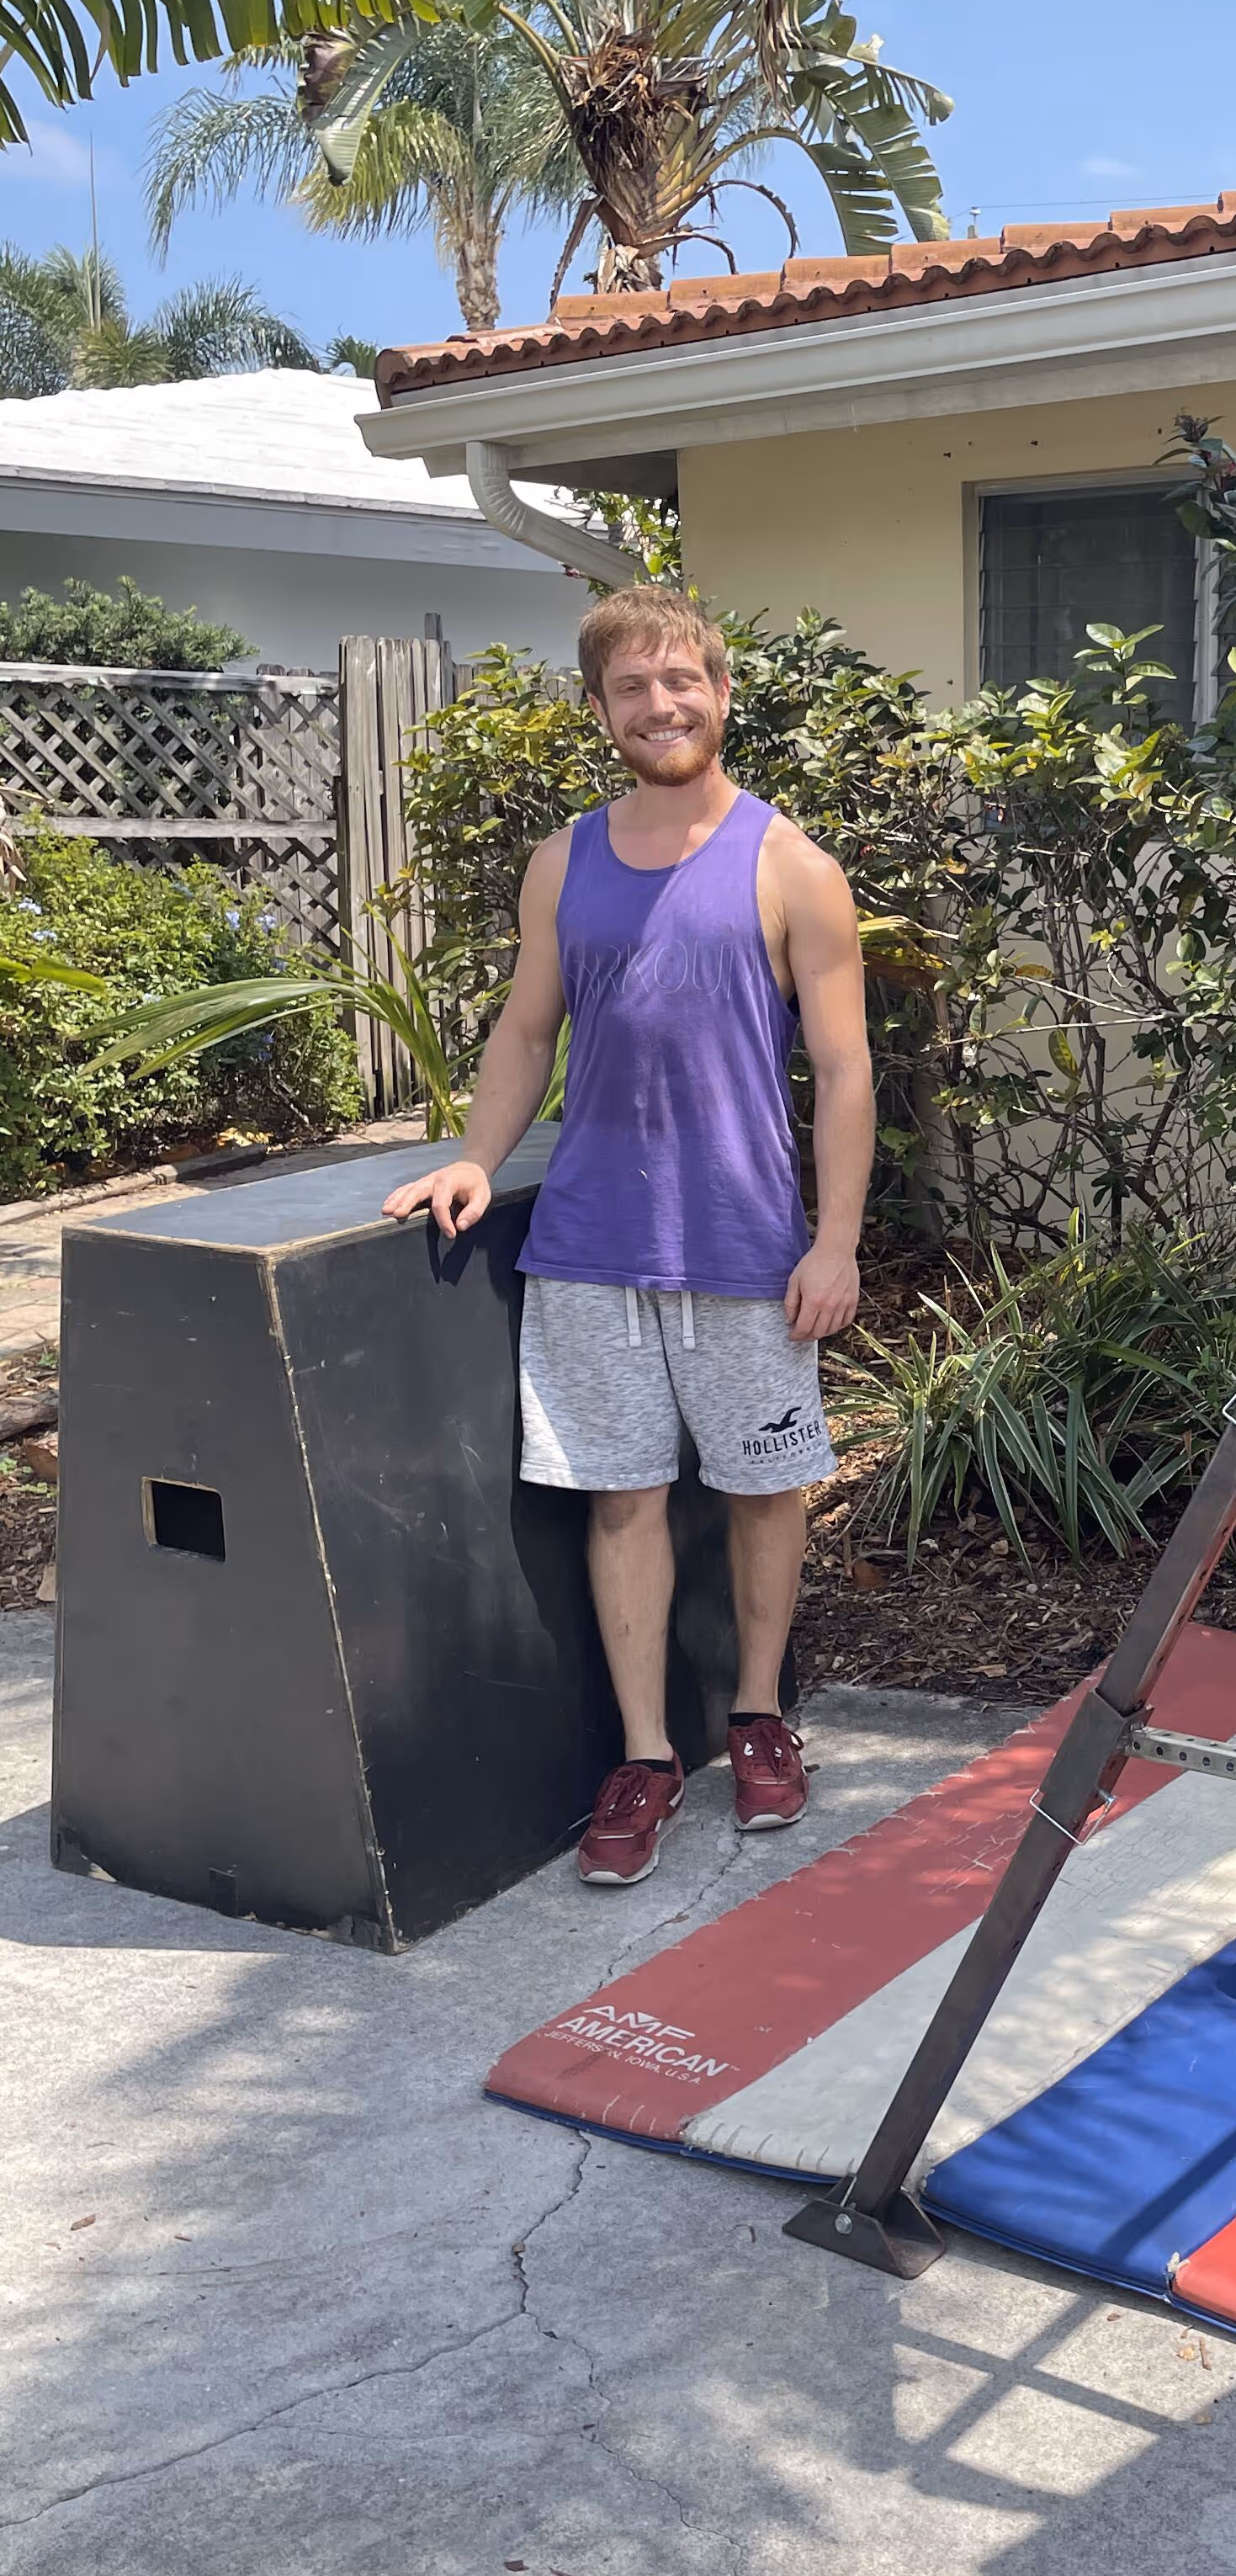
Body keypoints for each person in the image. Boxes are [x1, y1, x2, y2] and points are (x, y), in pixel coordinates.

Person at [384, 584, 873, 1885]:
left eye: (682, 681)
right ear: (600, 710)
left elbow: (845, 1070)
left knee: (769, 1492)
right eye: (633, 688)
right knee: (625, 1502)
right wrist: (476, 1157)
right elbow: (525, 1030)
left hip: (747, 1247)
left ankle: (759, 1717)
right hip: (595, 1242)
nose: (662, 705)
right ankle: (648, 1757)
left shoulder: (791, 866)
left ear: (720, 691)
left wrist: (837, 1243)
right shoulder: (567, 861)